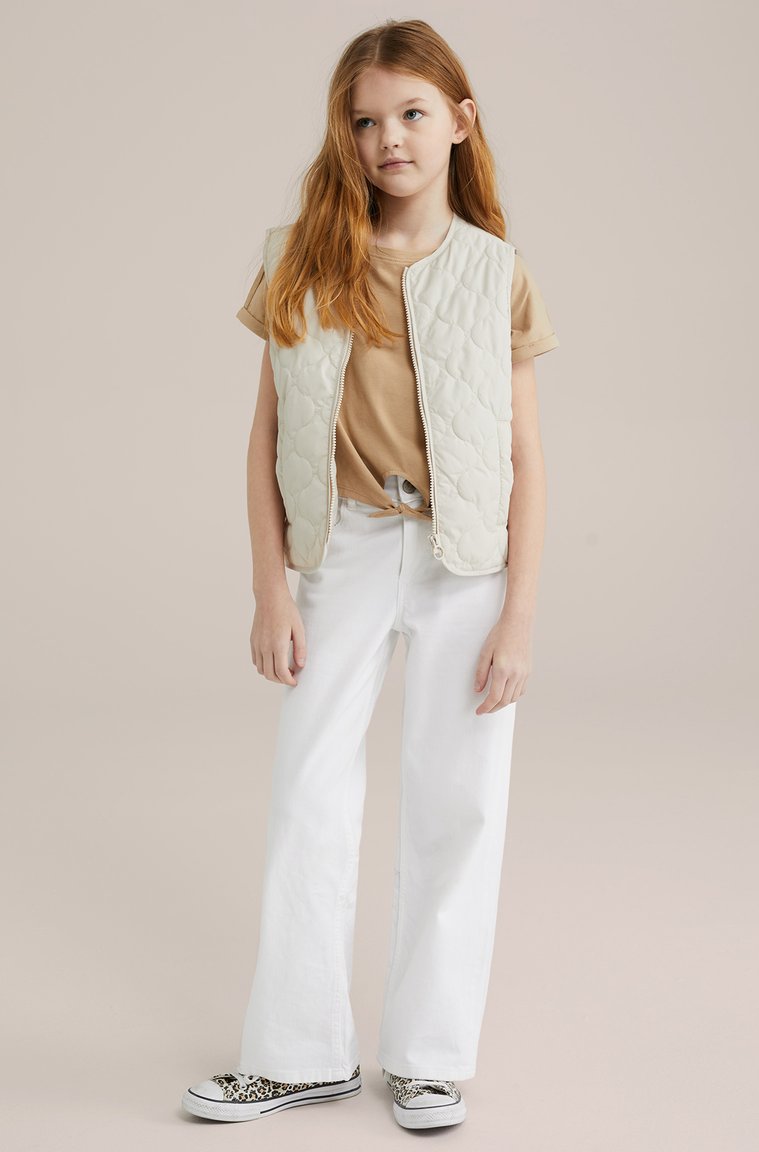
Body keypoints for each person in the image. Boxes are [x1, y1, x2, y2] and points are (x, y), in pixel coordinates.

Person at [181, 17, 559, 1132]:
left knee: (458, 804)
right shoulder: (299, 258)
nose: (388, 137)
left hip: (462, 562)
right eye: (364, 119)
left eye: (411, 113)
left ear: (459, 122)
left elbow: (527, 456)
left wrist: (518, 618)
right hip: (342, 548)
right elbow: (262, 437)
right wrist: (269, 589)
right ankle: (297, 1053)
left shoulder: (494, 272)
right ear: (342, 134)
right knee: (308, 794)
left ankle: (427, 1057)